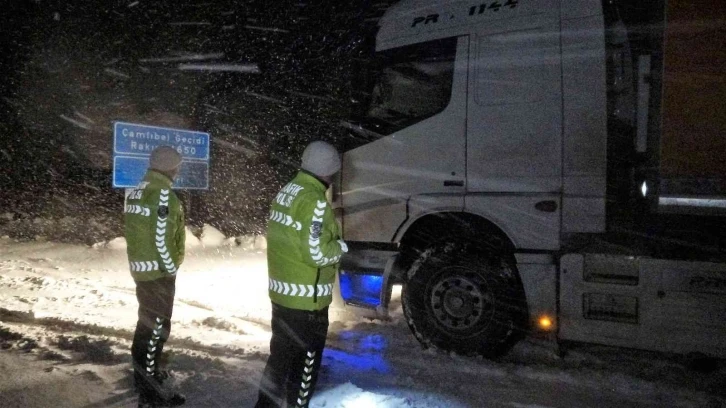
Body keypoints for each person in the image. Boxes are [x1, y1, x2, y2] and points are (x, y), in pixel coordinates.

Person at [255, 141, 348, 408]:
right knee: (305, 366)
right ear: (330, 170)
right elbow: (316, 254)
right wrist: (340, 247)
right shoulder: (314, 202)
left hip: (284, 297)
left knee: (279, 361)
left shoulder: (287, 192)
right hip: (307, 303)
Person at [125, 145, 187, 408]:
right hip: (159, 273)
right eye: (177, 166)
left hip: (142, 269)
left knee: (146, 327)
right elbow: (162, 241)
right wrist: (171, 267)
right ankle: (150, 394)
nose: (179, 170)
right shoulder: (164, 197)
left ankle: (146, 380)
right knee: (155, 331)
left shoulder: (137, 190)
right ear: (171, 167)